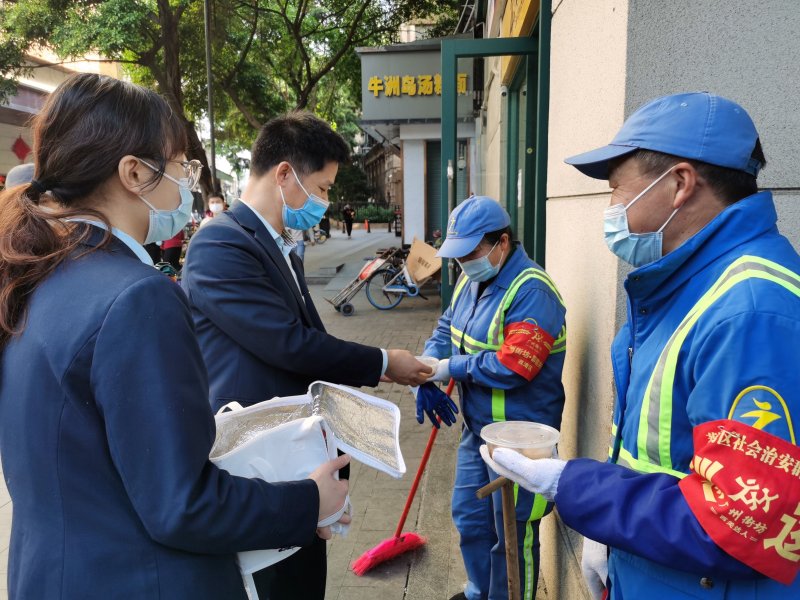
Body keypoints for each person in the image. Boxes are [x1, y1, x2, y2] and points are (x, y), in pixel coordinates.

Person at [0, 73, 351, 599]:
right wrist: (308, 501)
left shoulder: (33, 276)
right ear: (135, 173)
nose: (188, 183)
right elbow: (183, 504)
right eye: (182, 166)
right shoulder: (137, 296)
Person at [481, 92, 800, 598]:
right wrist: (611, 538)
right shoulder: (682, 285)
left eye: (615, 190)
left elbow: (741, 523)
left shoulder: (752, 310)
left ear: (679, 184)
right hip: (658, 569)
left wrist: (575, 487)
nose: (611, 208)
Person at [180, 111, 433, 600]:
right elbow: (289, 343)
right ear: (284, 174)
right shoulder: (220, 244)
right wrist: (384, 363)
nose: (325, 202)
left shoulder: (277, 243)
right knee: (279, 583)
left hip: (296, 456)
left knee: (305, 578)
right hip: (261, 462)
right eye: (321, 188)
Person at [420, 195, 567, 600]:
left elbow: (515, 366)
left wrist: (451, 368)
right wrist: (426, 367)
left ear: (502, 243)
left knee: (513, 534)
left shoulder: (532, 290)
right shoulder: (470, 282)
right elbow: (446, 329)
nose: (462, 262)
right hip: (479, 430)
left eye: (470, 253)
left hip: (520, 439)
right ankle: (478, 592)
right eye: (457, 255)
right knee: (471, 518)